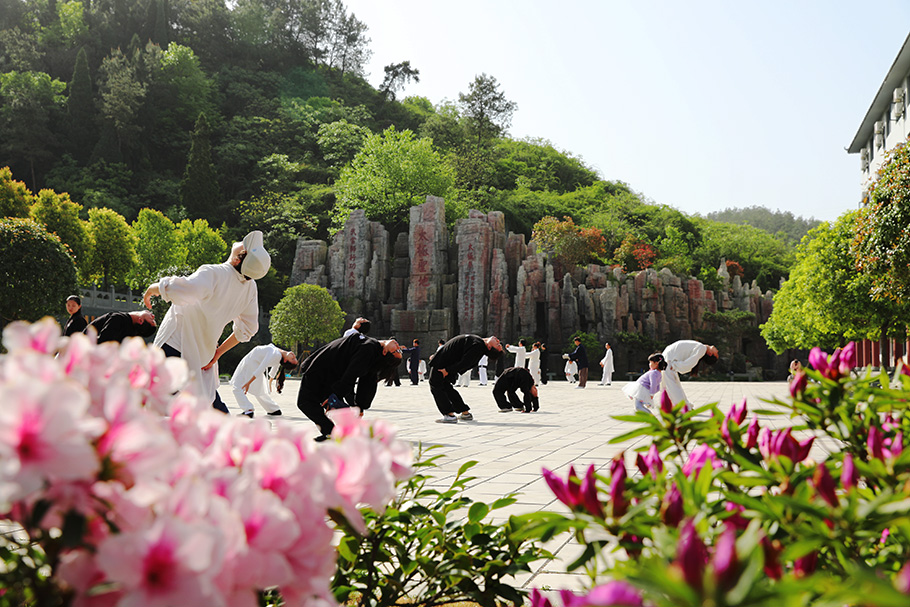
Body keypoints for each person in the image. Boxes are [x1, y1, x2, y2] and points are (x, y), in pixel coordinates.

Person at [143, 230, 270, 413]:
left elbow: (182, 290)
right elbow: (248, 329)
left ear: (237, 260)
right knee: (207, 406)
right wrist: (218, 353)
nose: (240, 242)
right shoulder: (250, 288)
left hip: (175, 344)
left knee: (150, 402)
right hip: (203, 355)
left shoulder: (214, 273)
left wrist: (152, 288)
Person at [295, 332, 402, 441]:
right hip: (326, 371)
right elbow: (361, 378)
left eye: (397, 351)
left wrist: (352, 402)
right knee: (315, 403)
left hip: (320, 371)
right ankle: (337, 432)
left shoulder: (369, 349)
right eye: (399, 350)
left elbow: (354, 375)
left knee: (305, 403)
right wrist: (356, 404)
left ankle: (333, 432)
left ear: (385, 352)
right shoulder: (373, 350)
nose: (398, 346)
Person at [427, 334, 504, 424]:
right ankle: (464, 412)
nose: (498, 341)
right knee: (446, 387)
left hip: (444, 364)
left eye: (497, 344)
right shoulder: (480, 344)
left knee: (435, 384)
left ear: (489, 347)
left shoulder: (478, 347)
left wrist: (447, 370)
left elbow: (465, 363)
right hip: (446, 362)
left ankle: (449, 414)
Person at [232, 344, 298, 418]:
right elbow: (274, 370)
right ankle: (273, 410)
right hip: (253, 363)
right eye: (295, 358)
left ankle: (248, 410)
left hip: (251, 364)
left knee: (237, 387)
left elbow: (262, 367)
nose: (293, 355)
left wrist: (249, 383)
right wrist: (270, 383)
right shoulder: (279, 356)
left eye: (293, 359)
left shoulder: (276, 355)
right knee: (260, 390)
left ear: (285, 360)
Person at [661, 340, 719, 407]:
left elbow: (689, 364)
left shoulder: (702, 348)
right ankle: (684, 407)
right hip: (668, 360)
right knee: (673, 388)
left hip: (668, 361)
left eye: (717, 353)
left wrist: (674, 365)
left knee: (673, 389)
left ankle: (684, 407)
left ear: (710, 354)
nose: (717, 350)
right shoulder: (701, 347)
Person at [85, 310, 157, 343]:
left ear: (140, 321)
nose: (153, 316)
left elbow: (103, 343)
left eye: (152, 319)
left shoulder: (118, 319)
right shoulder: (130, 334)